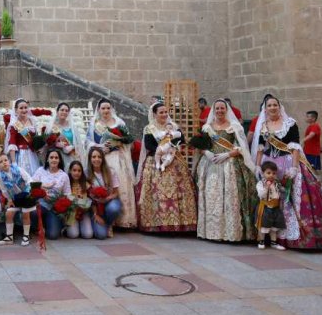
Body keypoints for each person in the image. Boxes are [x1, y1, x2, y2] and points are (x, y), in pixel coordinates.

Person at [251, 96, 322, 249]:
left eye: (275, 104)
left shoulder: (290, 124)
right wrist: (257, 166)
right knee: (271, 197)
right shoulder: (263, 126)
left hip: (289, 162)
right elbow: (260, 148)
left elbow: (295, 146)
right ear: (265, 109)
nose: (272, 107)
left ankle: (294, 237)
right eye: (269, 105)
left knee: (290, 198)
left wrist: (295, 167)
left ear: (279, 106)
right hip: (270, 165)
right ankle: (270, 237)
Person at [193, 99, 257, 242]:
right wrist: (207, 153)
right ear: (213, 110)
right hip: (211, 164)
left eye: (222, 108)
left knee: (230, 197)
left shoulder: (235, 126)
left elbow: (241, 147)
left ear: (227, 110)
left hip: (230, 164)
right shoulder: (207, 127)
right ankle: (212, 232)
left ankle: (231, 233)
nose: (220, 111)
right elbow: (200, 146)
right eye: (217, 108)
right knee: (212, 197)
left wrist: (227, 154)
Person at [136, 102, 197, 233]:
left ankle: (180, 223)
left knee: (179, 190)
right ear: (154, 114)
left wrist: (171, 147)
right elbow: (148, 145)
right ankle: (157, 224)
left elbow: (182, 140)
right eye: (161, 112)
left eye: (165, 112)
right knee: (156, 192)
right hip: (155, 160)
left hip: (174, 160)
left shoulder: (173, 126)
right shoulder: (149, 128)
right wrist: (161, 150)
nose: (164, 114)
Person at [85, 99, 137, 228]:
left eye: (108, 108)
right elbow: (87, 142)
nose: (106, 111)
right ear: (99, 110)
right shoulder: (94, 124)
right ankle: (106, 220)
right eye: (103, 108)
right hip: (102, 160)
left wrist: (119, 143)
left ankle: (122, 220)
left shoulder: (119, 123)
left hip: (118, 160)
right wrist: (99, 147)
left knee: (121, 188)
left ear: (111, 109)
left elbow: (128, 142)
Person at [0, 153, 36, 246]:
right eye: (0, 162)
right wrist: (9, 199)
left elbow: (29, 180)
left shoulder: (18, 169)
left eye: (5, 160)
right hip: (15, 198)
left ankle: (26, 236)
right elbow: (4, 190)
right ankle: (9, 238)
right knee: (9, 213)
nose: (4, 163)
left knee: (26, 214)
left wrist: (29, 192)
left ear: (9, 161)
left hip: (26, 195)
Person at [31, 149, 71, 240]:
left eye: (56, 157)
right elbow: (32, 186)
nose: (54, 160)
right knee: (33, 213)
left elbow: (67, 194)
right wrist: (42, 193)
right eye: (51, 157)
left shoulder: (64, 175)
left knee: (53, 235)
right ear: (47, 159)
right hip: (41, 204)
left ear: (59, 160)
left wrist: (61, 203)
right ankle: (37, 228)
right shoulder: (41, 170)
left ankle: (50, 224)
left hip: (55, 208)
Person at [86, 147, 123, 239]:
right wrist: (95, 214)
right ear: (90, 159)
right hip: (94, 205)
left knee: (113, 208)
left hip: (109, 201)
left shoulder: (111, 171)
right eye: (94, 157)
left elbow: (116, 193)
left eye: (99, 157)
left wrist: (107, 199)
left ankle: (109, 223)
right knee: (101, 235)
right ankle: (98, 220)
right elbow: (87, 196)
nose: (96, 159)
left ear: (103, 159)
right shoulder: (86, 173)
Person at [5, 98, 40, 177]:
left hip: (32, 153)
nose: (24, 110)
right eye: (21, 108)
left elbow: (35, 139)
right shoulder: (14, 124)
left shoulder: (32, 121)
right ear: (16, 110)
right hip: (20, 154)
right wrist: (14, 163)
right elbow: (12, 143)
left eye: (25, 107)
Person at [255, 161, 286, 250]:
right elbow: (261, 195)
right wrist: (266, 187)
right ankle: (261, 242)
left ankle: (274, 243)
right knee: (264, 225)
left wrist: (285, 184)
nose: (271, 175)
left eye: (273, 173)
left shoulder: (276, 183)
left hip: (275, 207)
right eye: (268, 173)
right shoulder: (261, 184)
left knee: (274, 227)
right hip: (265, 207)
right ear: (263, 173)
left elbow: (282, 191)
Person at [47, 102, 85, 169]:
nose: (64, 112)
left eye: (66, 111)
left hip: (70, 155)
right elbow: (47, 143)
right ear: (57, 111)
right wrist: (56, 144)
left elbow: (78, 143)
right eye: (62, 110)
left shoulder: (72, 127)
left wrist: (72, 147)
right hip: (57, 157)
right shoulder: (52, 127)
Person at [64, 160, 93, 239]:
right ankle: (67, 228)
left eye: (79, 171)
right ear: (70, 171)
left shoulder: (85, 183)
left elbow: (92, 196)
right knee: (73, 235)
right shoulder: (67, 183)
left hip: (84, 212)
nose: (76, 173)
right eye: (74, 170)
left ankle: (82, 226)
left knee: (88, 235)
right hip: (72, 213)